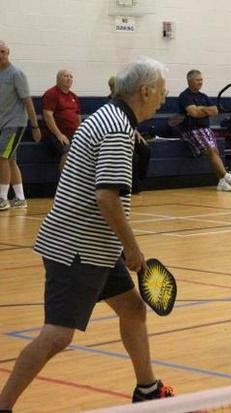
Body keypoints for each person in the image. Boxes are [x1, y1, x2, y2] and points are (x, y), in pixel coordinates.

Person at [0, 57, 174, 412]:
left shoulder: (104, 116)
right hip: (77, 247)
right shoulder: (117, 129)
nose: (163, 98)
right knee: (57, 335)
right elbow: (107, 196)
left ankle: (147, 388)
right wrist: (132, 248)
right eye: (161, 91)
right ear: (144, 91)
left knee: (132, 308)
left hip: (94, 244)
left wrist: (118, 245)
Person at [178, 69, 231, 191]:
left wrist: (201, 108)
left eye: (201, 80)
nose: (200, 82)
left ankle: (222, 182)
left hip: (206, 129)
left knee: (215, 151)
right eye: (197, 80)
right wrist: (204, 111)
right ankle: (226, 176)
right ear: (190, 81)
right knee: (211, 150)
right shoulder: (185, 96)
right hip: (192, 130)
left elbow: (215, 111)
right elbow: (194, 113)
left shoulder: (204, 96)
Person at [0, 40, 41, 211]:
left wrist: (35, 127)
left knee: (2, 157)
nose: (1, 55)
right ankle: (20, 198)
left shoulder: (16, 74)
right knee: (10, 160)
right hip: (3, 124)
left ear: (8, 53)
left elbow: (28, 101)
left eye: (3, 51)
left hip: (15, 124)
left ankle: (2, 198)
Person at [108, 76, 151, 193]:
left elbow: (130, 118)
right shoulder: (110, 102)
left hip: (131, 131)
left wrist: (136, 131)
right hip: (118, 134)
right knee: (132, 157)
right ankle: (130, 186)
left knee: (145, 150)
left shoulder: (125, 101)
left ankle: (140, 181)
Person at [41, 69, 81, 170]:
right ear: (58, 79)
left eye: (71, 77)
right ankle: (63, 179)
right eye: (66, 76)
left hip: (73, 134)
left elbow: (78, 116)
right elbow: (47, 115)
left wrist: (80, 133)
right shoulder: (51, 94)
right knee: (68, 150)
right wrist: (59, 135)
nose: (69, 78)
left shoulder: (74, 96)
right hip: (55, 134)